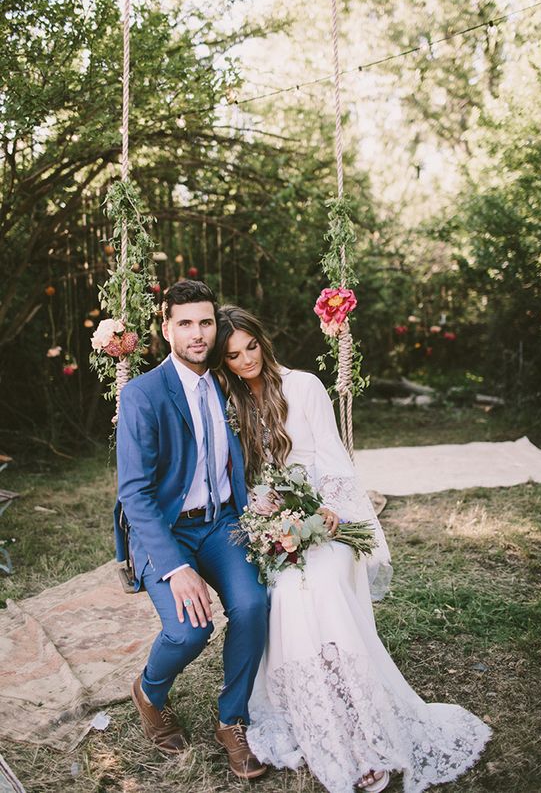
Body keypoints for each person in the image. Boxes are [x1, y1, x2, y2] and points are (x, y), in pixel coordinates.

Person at [213, 305, 492, 793]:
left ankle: (362, 725)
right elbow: (249, 480)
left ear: (263, 341)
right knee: (286, 594)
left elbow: (333, 458)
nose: (246, 360)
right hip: (276, 525)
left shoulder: (303, 386)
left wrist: (331, 515)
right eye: (233, 355)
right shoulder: (230, 403)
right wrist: (269, 519)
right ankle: (321, 715)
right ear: (224, 361)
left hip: (330, 517)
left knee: (321, 582)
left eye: (251, 347)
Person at [114, 281, 268, 780]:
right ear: (166, 329)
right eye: (185, 323)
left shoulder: (226, 382)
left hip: (222, 522)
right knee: (190, 630)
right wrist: (176, 566)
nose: (198, 334)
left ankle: (232, 720)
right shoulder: (142, 394)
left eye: (206, 322)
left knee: (252, 605)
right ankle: (150, 692)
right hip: (167, 530)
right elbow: (133, 494)